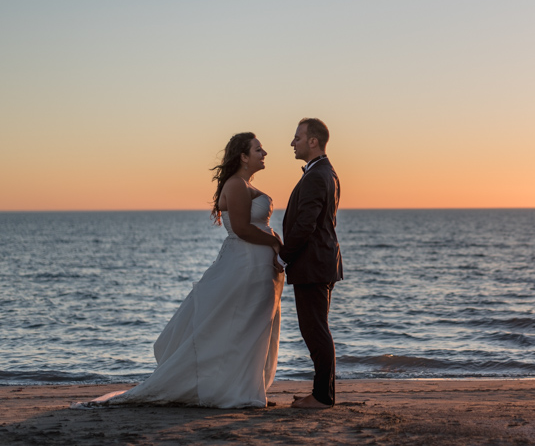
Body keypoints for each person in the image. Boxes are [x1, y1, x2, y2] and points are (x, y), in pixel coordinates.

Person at [73, 133, 285, 409]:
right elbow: (243, 229)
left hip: (256, 267)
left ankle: (246, 388)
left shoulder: (243, 184)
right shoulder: (235, 185)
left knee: (253, 327)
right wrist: (276, 241)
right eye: (258, 149)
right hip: (244, 266)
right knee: (239, 325)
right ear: (243, 157)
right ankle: (235, 391)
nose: (264, 152)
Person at [279, 118, 343, 409]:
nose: (293, 143)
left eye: (297, 137)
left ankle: (322, 397)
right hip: (320, 262)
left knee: (315, 329)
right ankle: (322, 393)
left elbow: (306, 224)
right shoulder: (325, 173)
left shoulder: (318, 175)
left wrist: (283, 256)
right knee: (317, 328)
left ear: (313, 141)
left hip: (313, 264)